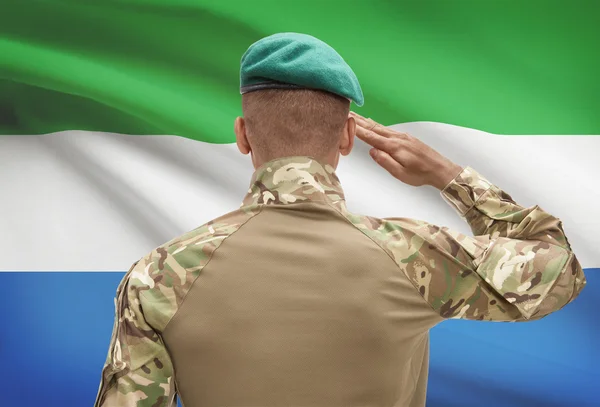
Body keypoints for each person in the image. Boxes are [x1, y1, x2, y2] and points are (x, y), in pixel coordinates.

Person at [94, 32, 587, 407]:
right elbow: (559, 269)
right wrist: (450, 176)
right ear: (348, 136)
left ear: (243, 135)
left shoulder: (158, 275)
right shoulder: (415, 255)